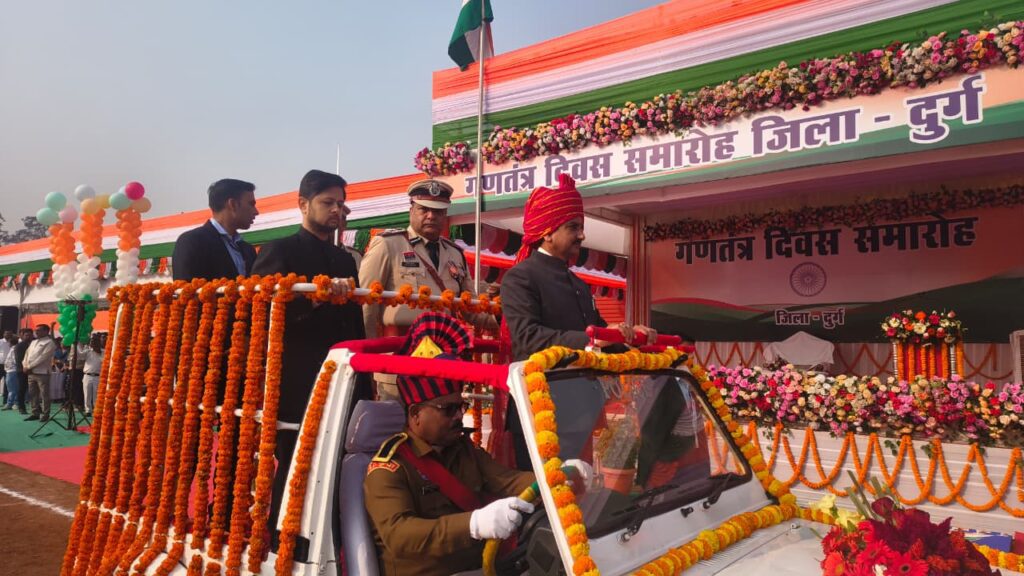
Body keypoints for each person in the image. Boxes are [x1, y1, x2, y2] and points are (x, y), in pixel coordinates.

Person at [500, 173, 656, 469]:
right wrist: (597, 337)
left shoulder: (578, 283)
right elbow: (528, 338)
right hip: (541, 410)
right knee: (544, 493)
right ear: (547, 233)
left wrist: (631, 338)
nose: (582, 236)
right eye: (573, 227)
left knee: (579, 488)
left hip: (581, 409)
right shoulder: (520, 278)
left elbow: (599, 334)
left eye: (581, 227)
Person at [363, 314, 536, 576]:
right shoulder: (390, 466)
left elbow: (508, 480)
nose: (458, 416)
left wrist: (556, 480)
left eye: (461, 407)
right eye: (448, 409)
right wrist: (473, 524)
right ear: (415, 414)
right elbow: (400, 536)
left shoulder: (462, 449)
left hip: (482, 567)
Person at [251, 168, 365, 542]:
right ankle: (281, 540)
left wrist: (362, 377)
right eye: (327, 202)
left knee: (337, 461)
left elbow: (355, 323)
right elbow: (261, 313)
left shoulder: (345, 260)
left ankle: (326, 539)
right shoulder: (280, 250)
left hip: (343, 377)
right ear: (303, 204)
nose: (336, 210)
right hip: (297, 380)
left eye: (340, 203)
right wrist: (313, 300)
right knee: (296, 462)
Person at [359, 179, 496, 400]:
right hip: (399, 359)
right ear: (411, 210)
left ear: (445, 215)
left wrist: (504, 317)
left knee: (442, 419)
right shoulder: (388, 245)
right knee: (397, 419)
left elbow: (470, 308)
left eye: (438, 211)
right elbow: (366, 307)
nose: (431, 216)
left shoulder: (455, 253)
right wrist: (370, 359)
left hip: (444, 362)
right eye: (424, 209)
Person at [172, 178, 259, 281]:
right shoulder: (192, 242)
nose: (256, 212)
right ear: (233, 204)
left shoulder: (247, 249)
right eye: (251, 204)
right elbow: (185, 288)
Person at [22, 324, 57, 421]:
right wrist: (24, 365)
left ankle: (45, 414)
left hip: (42, 372)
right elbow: (27, 355)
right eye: (36, 330)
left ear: (46, 331)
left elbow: (43, 357)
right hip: (31, 372)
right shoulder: (33, 342)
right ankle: (35, 413)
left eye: (39, 330)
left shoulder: (50, 342)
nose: (36, 332)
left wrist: (29, 367)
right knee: (33, 394)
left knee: (44, 394)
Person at [8, 328, 33, 414]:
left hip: (33, 370)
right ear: (22, 336)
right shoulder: (19, 346)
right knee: (22, 389)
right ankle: (21, 407)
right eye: (26, 335)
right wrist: (26, 368)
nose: (28, 337)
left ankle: (37, 408)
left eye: (30, 335)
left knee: (33, 390)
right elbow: (19, 360)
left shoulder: (34, 345)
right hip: (22, 371)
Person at [82, 333, 104, 415]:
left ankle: (96, 409)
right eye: (91, 341)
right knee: (87, 394)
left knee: (96, 395)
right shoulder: (87, 351)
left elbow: (104, 361)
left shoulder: (103, 352)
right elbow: (79, 355)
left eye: (94, 341)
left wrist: (98, 351)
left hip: (98, 376)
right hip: (87, 375)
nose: (92, 343)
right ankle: (88, 410)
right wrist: (76, 344)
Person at [1, 331, 20, 411]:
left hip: (12, 370)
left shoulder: (14, 349)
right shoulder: (13, 348)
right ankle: (12, 403)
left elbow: (15, 360)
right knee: (11, 388)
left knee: (12, 388)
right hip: (10, 370)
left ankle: (12, 403)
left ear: (10, 342)